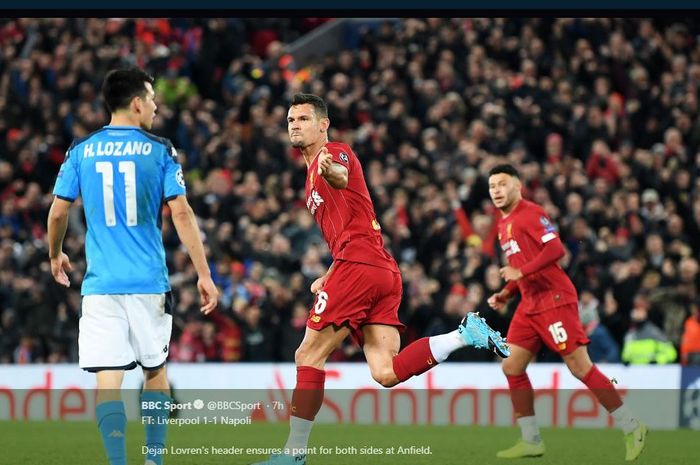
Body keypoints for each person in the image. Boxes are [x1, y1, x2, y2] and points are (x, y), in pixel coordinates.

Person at [252, 93, 510, 465]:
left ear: (323, 124)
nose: (294, 124)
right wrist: (329, 274)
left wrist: (333, 174)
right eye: (291, 119)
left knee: (307, 354)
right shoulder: (309, 176)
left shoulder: (333, 153)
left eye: (304, 118)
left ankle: (294, 455)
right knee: (386, 373)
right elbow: (351, 227)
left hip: (360, 267)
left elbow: (340, 174)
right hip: (379, 268)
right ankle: (464, 335)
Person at [46, 67, 218, 465]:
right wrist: (204, 274)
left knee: (109, 380)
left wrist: (55, 254)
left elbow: (58, 213)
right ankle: (153, 461)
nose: (157, 106)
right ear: (137, 102)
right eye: (153, 98)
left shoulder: (81, 150)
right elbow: (182, 213)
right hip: (147, 283)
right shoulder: (160, 150)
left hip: (101, 285)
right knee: (154, 372)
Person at [485, 164, 646, 461]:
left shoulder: (531, 213)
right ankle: (531, 439)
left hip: (554, 299)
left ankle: (632, 425)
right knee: (511, 367)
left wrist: (521, 271)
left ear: (518, 186)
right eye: (492, 185)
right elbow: (522, 266)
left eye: (502, 184)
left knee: (580, 368)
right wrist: (506, 294)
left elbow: (556, 250)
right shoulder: (501, 225)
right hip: (529, 303)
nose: (496, 190)